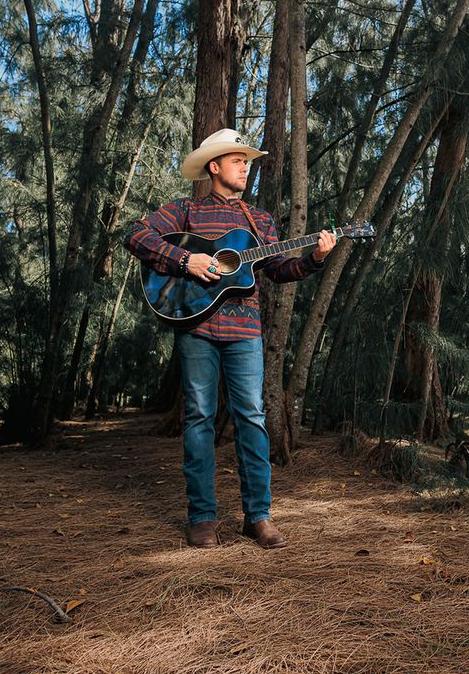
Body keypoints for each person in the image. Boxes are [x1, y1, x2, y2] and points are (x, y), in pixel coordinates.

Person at [124, 128, 336, 549]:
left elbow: (278, 269)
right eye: (239, 160)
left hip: (244, 332)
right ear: (215, 166)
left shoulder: (260, 221)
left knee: (251, 418)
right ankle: (202, 517)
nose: (245, 167)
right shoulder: (185, 211)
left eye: (247, 162)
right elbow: (136, 235)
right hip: (196, 327)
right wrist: (187, 258)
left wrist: (314, 258)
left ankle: (258, 517)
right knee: (200, 418)